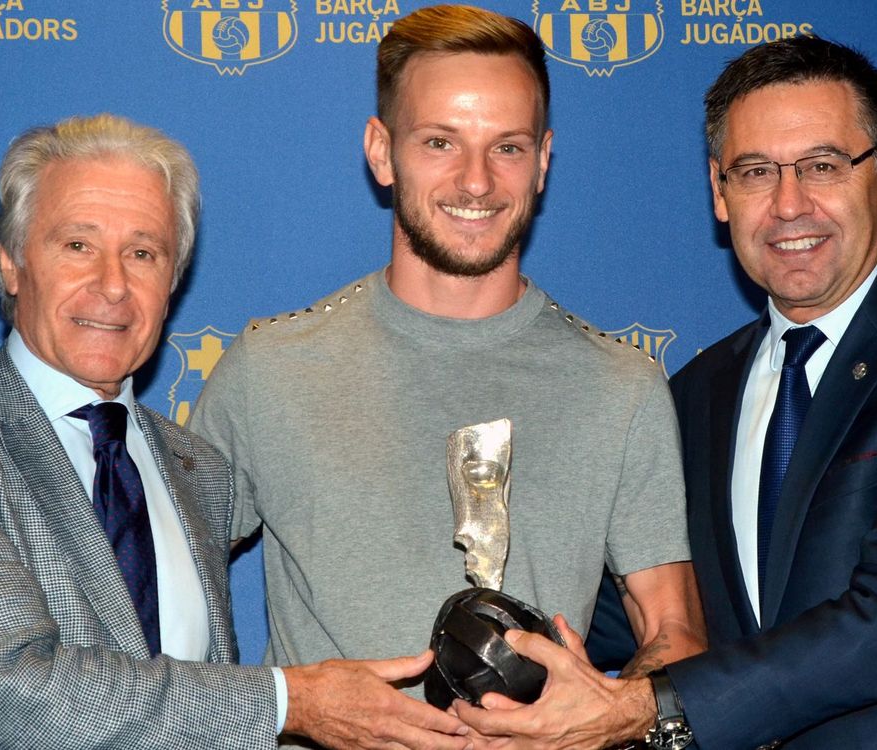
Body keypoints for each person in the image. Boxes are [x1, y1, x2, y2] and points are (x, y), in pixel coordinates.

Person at [455, 35, 877, 749]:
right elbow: (629, 601)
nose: (789, 205)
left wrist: (646, 707)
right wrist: (475, 645)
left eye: (823, 166)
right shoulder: (694, 394)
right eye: (756, 172)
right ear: (720, 192)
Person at [0, 113, 469, 750]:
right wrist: (291, 701)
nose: (113, 285)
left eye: (143, 254)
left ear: (172, 283)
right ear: (11, 264)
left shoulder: (198, 470)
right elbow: (10, 691)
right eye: (78, 246)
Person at [189, 5, 706, 747]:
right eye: (440, 142)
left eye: (508, 147)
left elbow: (675, 632)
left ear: (544, 160)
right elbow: (146, 601)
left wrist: (602, 716)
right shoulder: (268, 371)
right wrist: (290, 703)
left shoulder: (621, 387)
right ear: (382, 152)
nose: (476, 180)